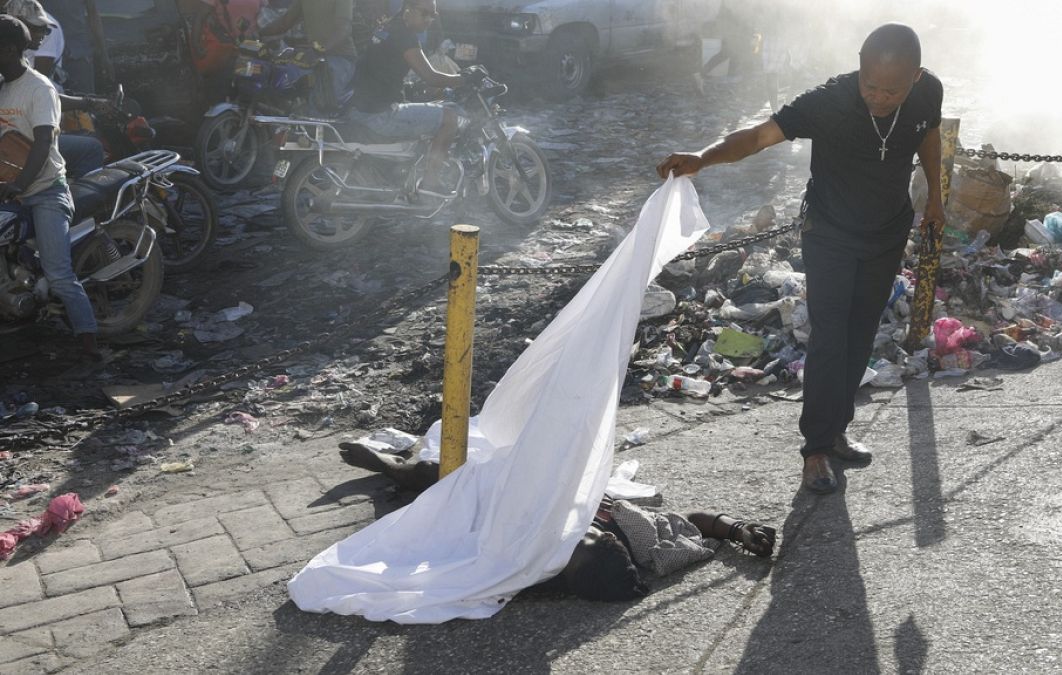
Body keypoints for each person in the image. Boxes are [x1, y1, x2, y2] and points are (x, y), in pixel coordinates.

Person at [658, 23, 945, 495]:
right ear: (858, 65)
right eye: (870, 85)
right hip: (829, 233)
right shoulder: (828, 101)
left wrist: (933, 196)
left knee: (860, 332)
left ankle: (837, 431)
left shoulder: (927, 92)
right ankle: (814, 449)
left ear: (916, 78)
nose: (878, 97)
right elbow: (756, 137)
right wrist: (702, 158)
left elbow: (929, 133)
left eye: (892, 90)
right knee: (830, 334)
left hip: (886, 232)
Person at [336, 441, 777, 601]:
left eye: (576, 544)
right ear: (615, 543)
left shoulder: (529, 565)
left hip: (505, 512)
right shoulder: (644, 542)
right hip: (558, 489)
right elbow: (692, 523)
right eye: (597, 536)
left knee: (459, 481)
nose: (587, 532)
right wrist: (737, 528)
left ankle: (394, 469)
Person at [0, 14, 98, 356]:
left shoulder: (39, 89)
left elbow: (43, 142)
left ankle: (88, 341)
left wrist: (19, 184)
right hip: (8, 187)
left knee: (59, 274)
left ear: (10, 49)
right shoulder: (2, 85)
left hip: (44, 190)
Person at [346, 0, 480, 199]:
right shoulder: (405, 36)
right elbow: (431, 77)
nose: (429, 20)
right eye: (424, 13)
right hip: (380, 114)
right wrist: (464, 79)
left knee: (433, 109)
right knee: (449, 119)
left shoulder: (387, 27)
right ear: (407, 10)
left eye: (433, 15)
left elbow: (383, 71)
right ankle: (430, 183)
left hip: (363, 106)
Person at [6, 0, 107, 176]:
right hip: (16, 144)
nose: (43, 34)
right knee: (92, 148)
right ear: (17, 27)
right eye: (36, 28)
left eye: (44, 29)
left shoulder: (16, 60)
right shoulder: (21, 71)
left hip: (16, 135)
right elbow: (43, 139)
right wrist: (21, 185)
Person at [259, 0, 357, 108]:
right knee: (280, 83)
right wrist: (258, 33)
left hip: (339, 56)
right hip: (315, 56)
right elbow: (285, 22)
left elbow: (344, 28)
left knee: (319, 104)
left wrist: (321, 49)